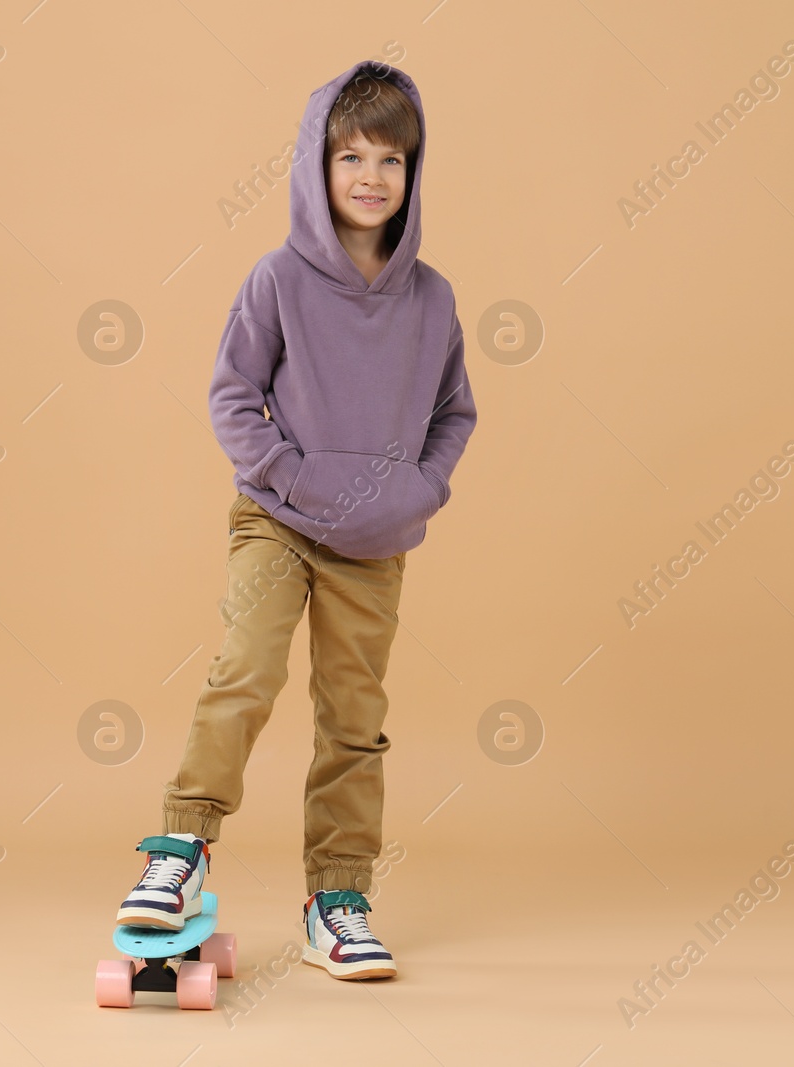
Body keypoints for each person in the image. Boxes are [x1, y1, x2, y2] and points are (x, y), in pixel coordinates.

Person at [115, 59, 476, 982]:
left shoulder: (432, 299)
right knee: (247, 667)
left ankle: (337, 898)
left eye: (391, 159)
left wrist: (418, 491)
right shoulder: (278, 279)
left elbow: (453, 412)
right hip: (276, 519)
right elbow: (233, 395)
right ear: (315, 168)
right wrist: (289, 473)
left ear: (413, 174)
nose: (369, 176)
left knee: (355, 716)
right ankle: (182, 849)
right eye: (349, 155)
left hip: (376, 544)